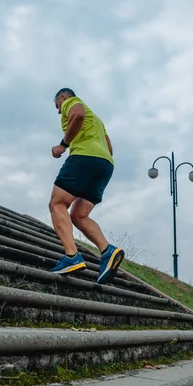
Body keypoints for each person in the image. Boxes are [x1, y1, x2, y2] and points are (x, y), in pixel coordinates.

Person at [48, 88, 125, 285]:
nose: (59, 111)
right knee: (79, 215)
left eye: (58, 106)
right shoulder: (98, 122)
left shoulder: (71, 102)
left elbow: (78, 114)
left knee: (57, 204)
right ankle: (108, 251)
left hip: (84, 157)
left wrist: (63, 144)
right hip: (105, 164)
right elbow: (109, 148)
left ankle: (72, 256)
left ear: (63, 97)